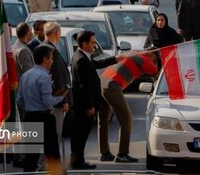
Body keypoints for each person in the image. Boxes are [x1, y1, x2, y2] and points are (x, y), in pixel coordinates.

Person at [69, 30, 122, 169]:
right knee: (80, 135)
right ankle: (77, 161)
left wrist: (116, 58)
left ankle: (77, 160)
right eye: (92, 43)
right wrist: (90, 106)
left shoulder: (82, 56)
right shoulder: (80, 60)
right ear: (84, 44)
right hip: (84, 106)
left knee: (80, 134)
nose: (94, 46)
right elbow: (83, 86)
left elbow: (96, 64)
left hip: (84, 105)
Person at [98, 48, 159, 163]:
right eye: (156, 58)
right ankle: (122, 154)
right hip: (112, 85)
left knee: (103, 121)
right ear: (151, 54)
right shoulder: (145, 60)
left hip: (102, 82)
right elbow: (157, 75)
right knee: (126, 120)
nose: (156, 62)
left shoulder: (134, 54)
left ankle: (104, 153)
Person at [17, 45, 69, 172]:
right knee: (52, 153)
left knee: (31, 157)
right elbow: (48, 102)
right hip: (44, 117)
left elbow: (20, 100)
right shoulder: (44, 76)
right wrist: (61, 97)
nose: (52, 61)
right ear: (45, 59)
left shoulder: (26, 75)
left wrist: (30, 107)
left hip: (30, 117)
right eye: (51, 58)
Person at [41, 22, 72, 146]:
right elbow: (57, 77)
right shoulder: (51, 50)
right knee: (55, 133)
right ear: (57, 33)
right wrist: (63, 101)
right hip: (56, 100)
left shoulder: (43, 47)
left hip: (50, 98)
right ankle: (50, 164)